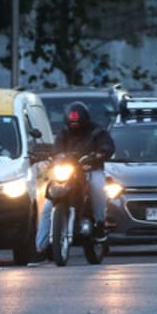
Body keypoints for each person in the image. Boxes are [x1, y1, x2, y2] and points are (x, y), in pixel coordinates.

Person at [35, 101, 115, 255]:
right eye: (71, 122)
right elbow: (56, 149)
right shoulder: (63, 133)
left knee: (98, 188)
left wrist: (101, 152)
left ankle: (99, 224)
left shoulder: (97, 131)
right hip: (66, 172)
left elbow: (107, 145)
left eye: (77, 122)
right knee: (47, 206)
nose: (74, 125)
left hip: (90, 170)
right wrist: (48, 155)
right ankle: (40, 247)